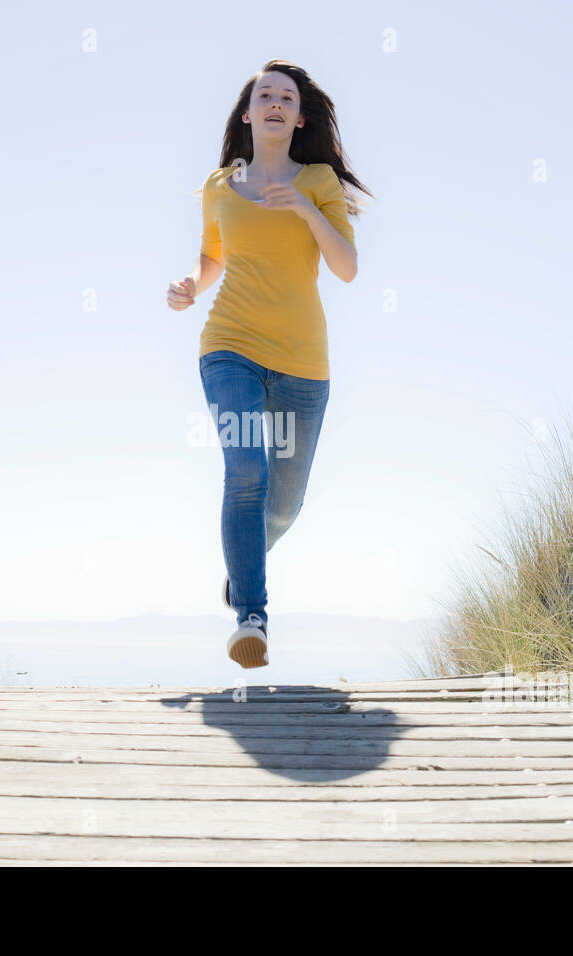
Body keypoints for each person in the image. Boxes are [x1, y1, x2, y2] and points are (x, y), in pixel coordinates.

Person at [166, 59, 371, 669]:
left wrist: (305, 210)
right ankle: (251, 614)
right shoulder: (218, 186)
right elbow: (213, 256)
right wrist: (190, 286)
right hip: (229, 347)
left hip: (303, 364)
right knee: (245, 471)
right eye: (265, 95)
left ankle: (242, 567)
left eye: (287, 97)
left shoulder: (318, 183)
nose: (276, 103)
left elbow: (347, 267)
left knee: (283, 504)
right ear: (249, 112)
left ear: (299, 116)